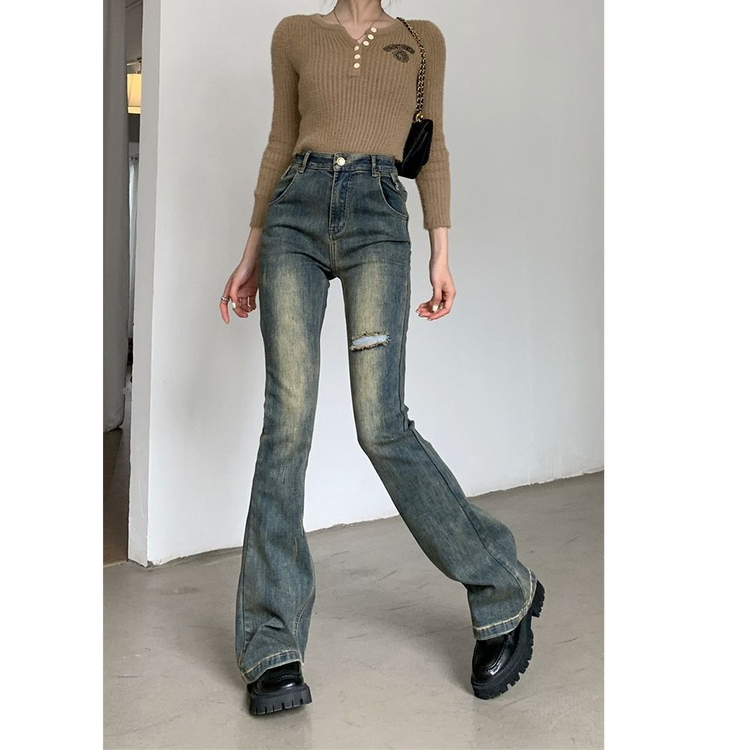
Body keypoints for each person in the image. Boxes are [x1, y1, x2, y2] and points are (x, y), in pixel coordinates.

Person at [219, 0, 544, 716]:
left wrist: (441, 252)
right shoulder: (294, 34)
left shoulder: (421, 41)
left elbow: (435, 145)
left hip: (376, 216)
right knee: (286, 425)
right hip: (294, 216)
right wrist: (250, 253)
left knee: (382, 424)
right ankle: (272, 645)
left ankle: (502, 584)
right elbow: (279, 141)